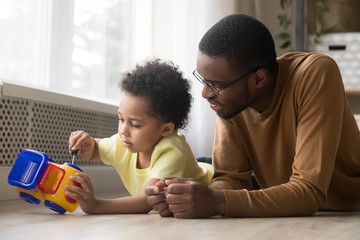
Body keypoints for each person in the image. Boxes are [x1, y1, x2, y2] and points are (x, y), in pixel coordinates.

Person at [145, 14, 360, 218]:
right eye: (203, 80)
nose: (205, 93)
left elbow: (309, 192)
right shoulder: (231, 102)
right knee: (195, 177)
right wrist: (189, 201)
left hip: (342, 204)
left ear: (259, 79)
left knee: (202, 166)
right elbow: (230, 179)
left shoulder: (315, 74)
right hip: (275, 193)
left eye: (216, 85)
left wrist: (217, 201)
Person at [65, 59, 213, 214]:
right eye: (121, 119)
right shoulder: (123, 141)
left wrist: (97, 206)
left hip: (212, 177)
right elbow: (94, 150)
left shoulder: (172, 152)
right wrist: (85, 144)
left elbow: (147, 201)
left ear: (166, 129)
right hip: (195, 164)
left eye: (135, 124)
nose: (123, 130)